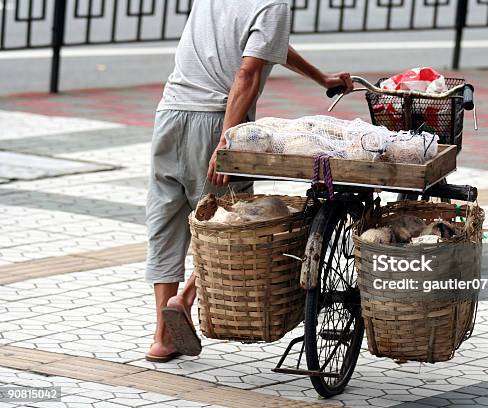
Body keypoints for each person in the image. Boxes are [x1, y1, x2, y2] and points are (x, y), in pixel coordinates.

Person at [145, 0, 353, 362]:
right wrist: (226, 141)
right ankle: (186, 298)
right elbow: (248, 73)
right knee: (230, 222)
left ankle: (162, 339)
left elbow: (264, 47)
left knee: (166, 219)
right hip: (214, 118)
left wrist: (320, 78)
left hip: (170, 113)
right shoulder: (273, 5)